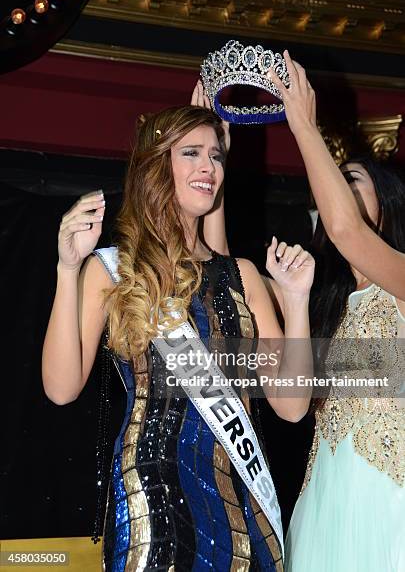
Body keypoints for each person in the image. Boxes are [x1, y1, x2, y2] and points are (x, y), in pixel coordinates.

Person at [42, 89, 315, 571]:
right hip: (153, 488)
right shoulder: (113, 270)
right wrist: (67, 269)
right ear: (155, 167)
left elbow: (291, 407)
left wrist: (294, 301)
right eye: (191, 153)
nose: (208, 166)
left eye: (215, 155)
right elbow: (62, 389)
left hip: (240, 495)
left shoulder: (243, 275)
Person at [266, 53, 405, 572]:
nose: (335, 200)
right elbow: (293, 406)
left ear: (386, 207)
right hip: (323, 505)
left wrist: (303, 124)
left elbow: (348, 230)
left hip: (389, 506)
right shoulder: (320, 305)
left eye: (353, 183)